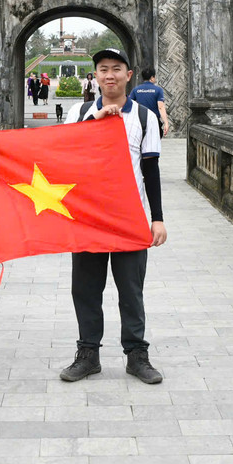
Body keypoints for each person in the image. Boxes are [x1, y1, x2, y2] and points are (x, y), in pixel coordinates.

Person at [60, 48, 166, 385]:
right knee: (85, 290)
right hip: (88, 216)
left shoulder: (144, 117)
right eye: (103, 69)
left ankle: (137, 355)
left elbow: (151, 169)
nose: (110, 75)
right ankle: (88, 354)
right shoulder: (79, 113)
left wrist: (158, 218)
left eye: (116, 69)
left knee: (131, 291)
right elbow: (64, 156)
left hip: (129, 219)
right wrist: (96, 122)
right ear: (95, 75)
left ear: (128, 75)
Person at [129, 66, 170, 137]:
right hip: (154, 121)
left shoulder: (136, 90)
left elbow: (129, 103)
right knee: (154, 144)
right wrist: (166, 122)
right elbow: (161, 107)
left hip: (139, 121)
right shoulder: (158, 90)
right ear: (152, 78)